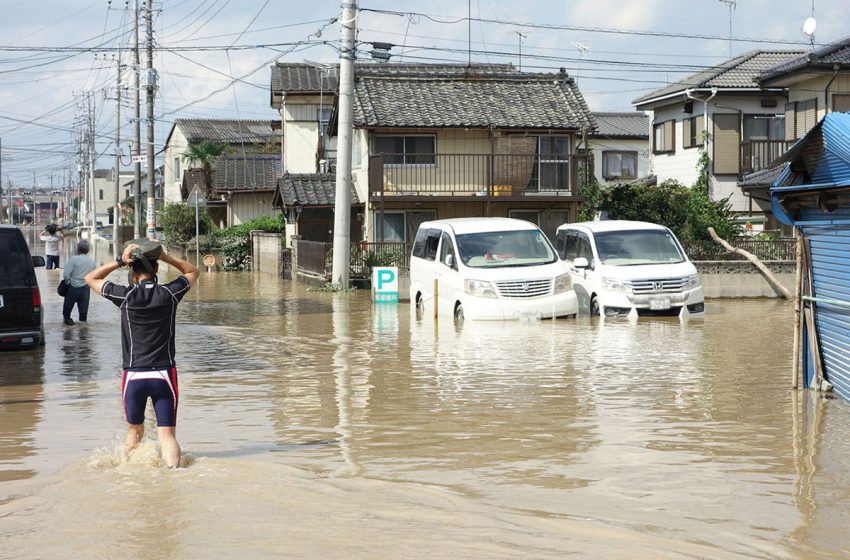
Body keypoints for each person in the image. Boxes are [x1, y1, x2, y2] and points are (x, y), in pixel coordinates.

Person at [85, 241, 199, 468]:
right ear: (156, 269)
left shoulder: (125, 297)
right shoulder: (169, 294)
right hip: (164, 375)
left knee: (134, 433)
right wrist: (166, 257)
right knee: (167, 436)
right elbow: (193, 271)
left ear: (132, 272)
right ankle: (174, 475)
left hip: (134, 376)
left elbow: (91, 278)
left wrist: (119, 261)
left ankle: (127, 477)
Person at [61, 240, 96, 326]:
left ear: (78, 249)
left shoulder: (73, 259)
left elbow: (65, 275)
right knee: (83, 317)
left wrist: (70, 280)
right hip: (85, 289)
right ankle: (83, 336)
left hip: (72, 288)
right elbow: (94, 276)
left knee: (66, 314)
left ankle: (67, 335)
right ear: (88, 250)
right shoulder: (92, 262)